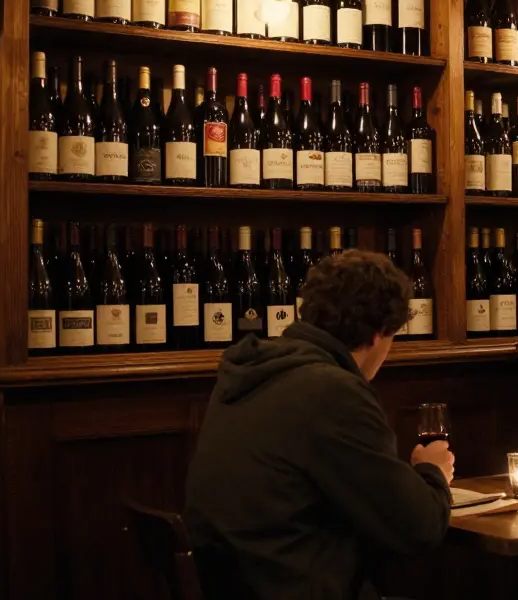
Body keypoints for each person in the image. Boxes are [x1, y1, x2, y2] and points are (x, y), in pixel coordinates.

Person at [185, 249, 454, 600]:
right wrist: (432, 472)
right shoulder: (332, 391)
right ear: (377, 334)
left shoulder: (250, 370)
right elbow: (418, 527)